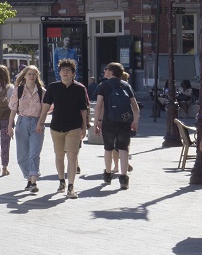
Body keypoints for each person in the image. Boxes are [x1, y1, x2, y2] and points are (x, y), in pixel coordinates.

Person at [40, 58, 90, 199]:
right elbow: (45, 106)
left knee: (72, 156)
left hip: (74, 127)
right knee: (59, 155)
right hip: (56, 126)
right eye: (63, 70)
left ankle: (71, 186)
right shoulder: (53, 87)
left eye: (68, 70)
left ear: (73, 73)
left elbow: (83, 110)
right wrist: (40, 122)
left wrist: (84, 127)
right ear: (59, 72)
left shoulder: (79, 89)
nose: (65, 72)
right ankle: (61, 180)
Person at [94, 61, 139, 190]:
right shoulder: (126, 85)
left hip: (109, 121)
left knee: (108, 148)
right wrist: (135, 121)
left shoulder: (103, 86)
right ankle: (124, 178)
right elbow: (135, 107)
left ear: (111, 72)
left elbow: (98, 107)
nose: (104, 71)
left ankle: (107, 174)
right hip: (125, 121)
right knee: (123, 148)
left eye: (106, 69)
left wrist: (96, 123)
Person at [8, 65, 46, 193]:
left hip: (37, 122)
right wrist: (10, 125)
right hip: (22, 122)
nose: (31, 76)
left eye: (34, 74)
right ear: (24, 75)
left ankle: (34, 182)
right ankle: (29, 177)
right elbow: (13, 108)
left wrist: (40, 123)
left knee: (34, 154)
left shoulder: (42, 91)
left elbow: (45, 110)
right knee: (22, 156)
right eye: (29, 74)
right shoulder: (18, 90)